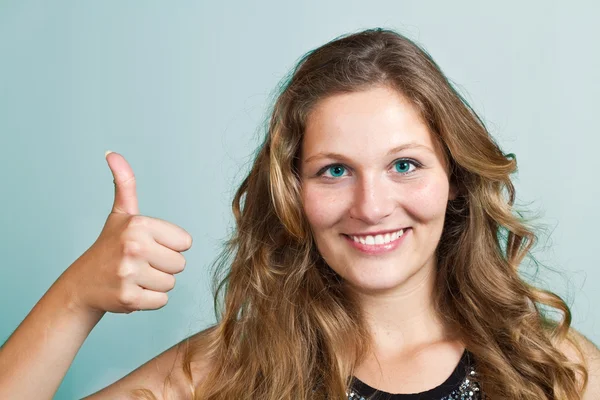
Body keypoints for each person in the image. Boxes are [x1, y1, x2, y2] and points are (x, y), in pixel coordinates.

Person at [0, 27, 599, 400]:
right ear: (292, 192)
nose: (371, 206)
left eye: (405, 165)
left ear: (456, 180)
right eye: (334, 170)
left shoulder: (553, 368)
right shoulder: (230, 368)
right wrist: (77, 297)